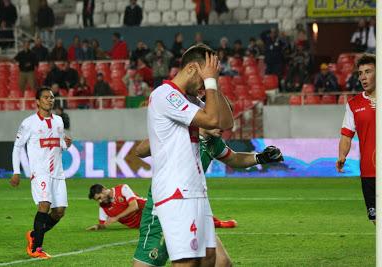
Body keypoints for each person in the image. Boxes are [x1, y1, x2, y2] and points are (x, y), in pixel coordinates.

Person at [133, 130, 283, 267]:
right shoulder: (179, 129)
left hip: (194, 204)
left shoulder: (213, 142)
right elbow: (140, 151)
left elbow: (234, 158)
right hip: (164, 209)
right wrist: (168, 128)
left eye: (224, 125)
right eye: (218, 120)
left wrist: (260, 158)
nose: (222, 128)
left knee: (221, 263)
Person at [145, 44, 233, 266]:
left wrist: (215, 83)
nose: (204, 87)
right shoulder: (165, 95)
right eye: (204, 79)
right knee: (187, 261)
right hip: (176, 191)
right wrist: (210, 82)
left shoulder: (190, 99)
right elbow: (212, 121)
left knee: (210, 259)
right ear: (193, 69)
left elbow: (226, 122)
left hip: (195, 189)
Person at [10, 87, 72, 259]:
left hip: (58, 173)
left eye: (52, 97)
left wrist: (67, 144)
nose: (50, 100)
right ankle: (36, 248)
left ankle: (34, 235)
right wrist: (16, 172)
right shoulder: (28, 123)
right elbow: (17, 147)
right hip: (40, 172)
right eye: (45, 97)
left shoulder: (59, 120)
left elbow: (59, 143)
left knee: (59, 211)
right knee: (44, 204)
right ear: (37, 101)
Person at [87, 183, 238, 232]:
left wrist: (116, 218)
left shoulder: (122, 188)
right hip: (146, 225)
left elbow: (133, 206)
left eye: (99, 197)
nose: (100, 201)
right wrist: (98, 227)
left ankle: (219, 223)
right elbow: (104, 224)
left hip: (152, 208)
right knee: (179, 225)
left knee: (183, 215)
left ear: (104, 190)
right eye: (97, 200)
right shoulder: (103, 207)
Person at [336, 53, 376, 224]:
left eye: (368, 71)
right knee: (376, 220)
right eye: (360, 73)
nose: (363, 77)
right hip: (368, 171)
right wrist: (342, 155)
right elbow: (346, 134)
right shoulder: (354, 104)